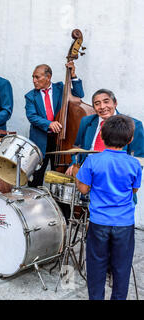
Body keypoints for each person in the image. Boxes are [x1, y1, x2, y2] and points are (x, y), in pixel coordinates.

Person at [76, 114, 142, 300]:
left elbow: (83, 188)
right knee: (121, 268)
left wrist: (78, 178)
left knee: (96, 266)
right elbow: (134, 189)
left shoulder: (92, 161)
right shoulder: (134, 164)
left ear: (102, 137)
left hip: (99, 223)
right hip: (124, 224)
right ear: (130, 139)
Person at [25, 62, 84, 187]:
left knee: (60, 178)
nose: (34, 80)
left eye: (37, 77)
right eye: (33, 77)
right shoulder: (30, 96)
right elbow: (32, 116)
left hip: (61, 140)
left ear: (48, 77)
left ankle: (60, 205)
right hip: (41, 140)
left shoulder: (61, 88)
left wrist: (73, 76)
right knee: (36, 176)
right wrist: (49, 124)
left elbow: (79, 95)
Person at [67, 88, 144, 176]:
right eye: (97, 104)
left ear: (115, 103)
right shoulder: (86, 121)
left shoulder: (134, 125)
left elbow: (138, 159)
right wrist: (74, 164)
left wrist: (127, 178)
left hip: (116, 173)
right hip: (88, 170)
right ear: (94, 107)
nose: (102, 107)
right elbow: (77, 147)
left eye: (106, 101)